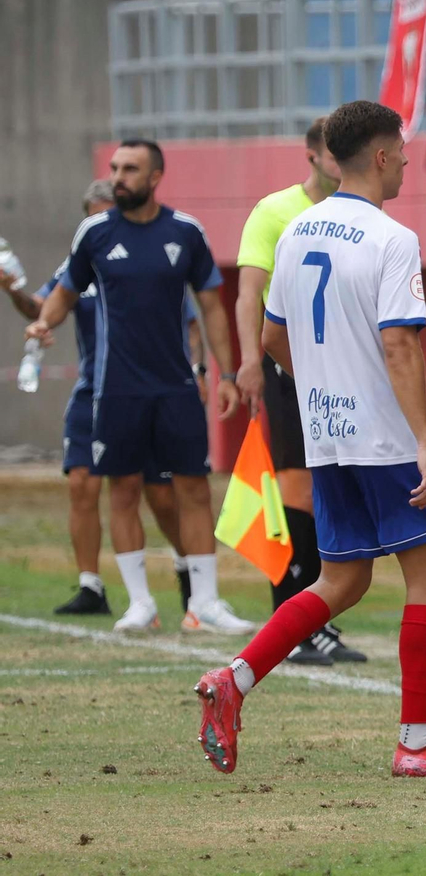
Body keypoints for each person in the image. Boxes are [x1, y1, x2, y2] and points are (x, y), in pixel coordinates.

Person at [194, 100, 426, 778]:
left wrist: (326, 385)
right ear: (382, 156)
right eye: (403, 151)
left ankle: (234, 680)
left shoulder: (297, 231)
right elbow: (398, 344)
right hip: (386, 439)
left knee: (343, 577)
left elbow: (272, 339)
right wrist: (424, 438)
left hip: (324, 434)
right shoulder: (392, 238)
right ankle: (416, 745)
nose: (410, 162)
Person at [26, 140, 250, 637]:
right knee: (122, 489)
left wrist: (227, 374)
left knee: (192, 490)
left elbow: (212, 306)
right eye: (114, 167)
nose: (118, 176)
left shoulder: (185, 232)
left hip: (175, 388)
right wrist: (45, 323)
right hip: (115, 389)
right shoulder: (95, 233)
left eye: (130, 169)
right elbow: (63, 293)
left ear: (155, 177)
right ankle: (140, 604)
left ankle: (206, 603)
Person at [2, 180, 190, 617]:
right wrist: (12, 291)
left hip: (147, 390)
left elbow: (193, 321)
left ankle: (188, 570)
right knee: (82, 485)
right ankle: (93, 586)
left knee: (159, 496)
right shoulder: (78, 265)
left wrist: (197, 370)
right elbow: (42, 309)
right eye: (96, 216)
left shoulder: (155, 257)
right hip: (93, 390)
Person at [234, 119, 365, 665]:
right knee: (295, 490)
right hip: (291, 370)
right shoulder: (275, 210)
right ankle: (291, 618)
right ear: (311, 155)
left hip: (343, 371)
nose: (339, 161)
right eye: (331, 152)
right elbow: (248, 295)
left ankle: (316, 623)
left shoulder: (362, 214)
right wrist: (249, 362)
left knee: (328, 488)